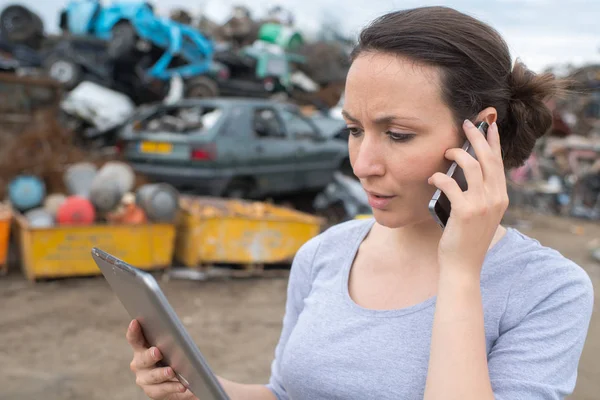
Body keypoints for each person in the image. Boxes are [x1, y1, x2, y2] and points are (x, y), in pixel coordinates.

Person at [125, 6, 594, 399]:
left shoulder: (549, 290)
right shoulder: (325, 253)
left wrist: (459, 270)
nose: (363, 163)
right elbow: (288, 394)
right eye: (353, 130)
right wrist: (202, 389)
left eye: (397, 134)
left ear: (480, 132)